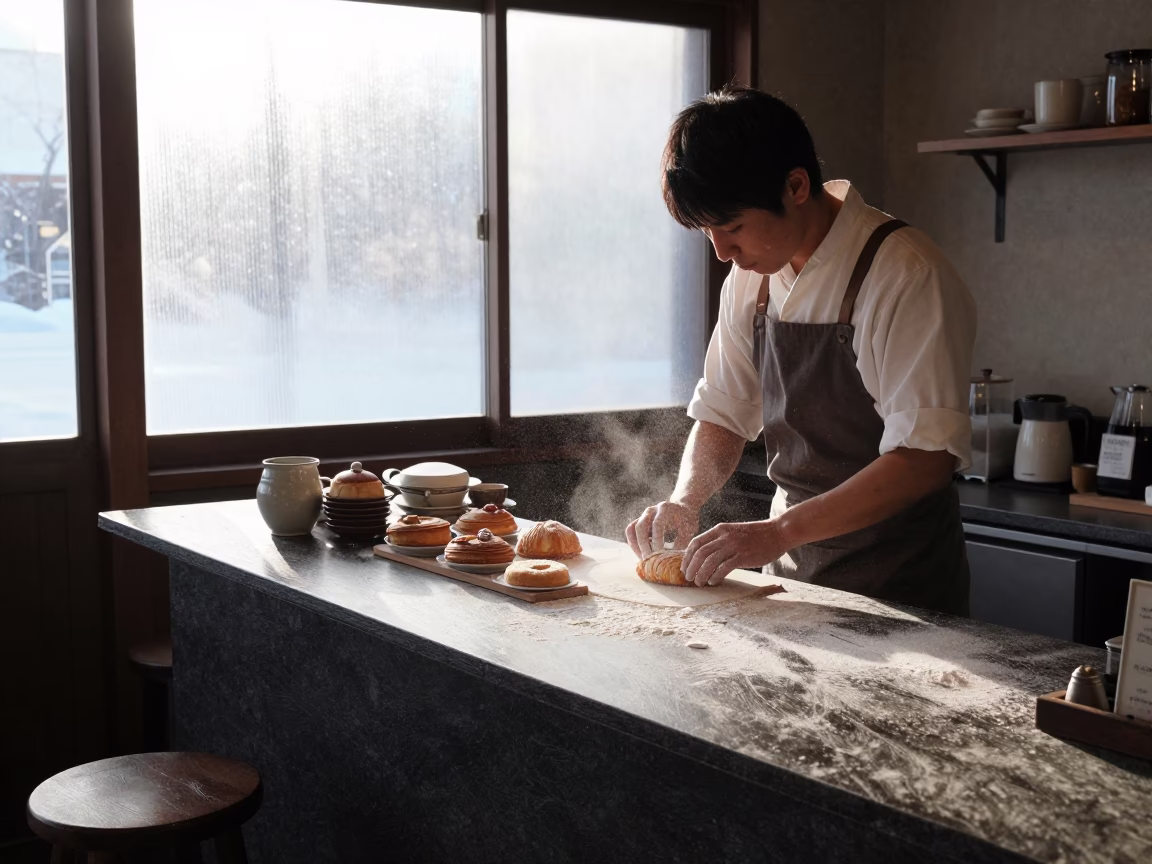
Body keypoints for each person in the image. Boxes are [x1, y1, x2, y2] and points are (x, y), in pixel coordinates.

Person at [625, 85, 976, 615]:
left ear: (794, 186)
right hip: (791, 581)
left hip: (902, 590)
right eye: (708, 234)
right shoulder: (752, 278)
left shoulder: (906, 275)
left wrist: (779, 530)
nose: (723, 253)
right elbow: (722, 412)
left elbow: (924, 459)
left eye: (733, 227)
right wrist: (686, 499)